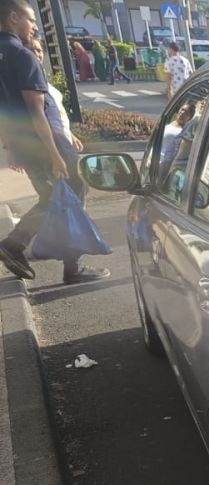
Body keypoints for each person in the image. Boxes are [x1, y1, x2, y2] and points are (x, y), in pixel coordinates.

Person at [0, 0, 109, 283]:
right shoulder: (22, 56)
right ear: (13, 18)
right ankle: (22, 247)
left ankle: (22, 246)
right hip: (45, 144)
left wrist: (9, 146)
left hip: (23, 145)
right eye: (31, 21)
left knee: (52, 199)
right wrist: (57, 155)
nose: (35, 26)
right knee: (71, 196)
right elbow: (38, 112)